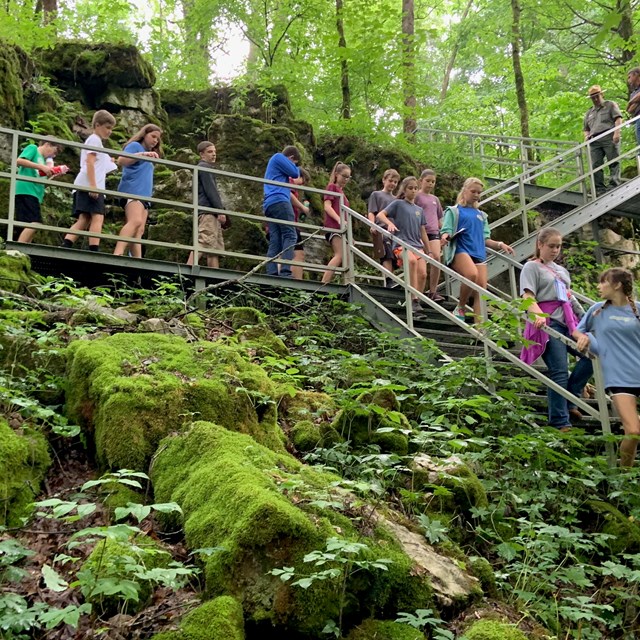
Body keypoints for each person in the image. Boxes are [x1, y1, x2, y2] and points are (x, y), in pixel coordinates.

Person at [519, 228, 593, 430]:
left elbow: (570, 298)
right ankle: (560, 420)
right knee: (559, 370)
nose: (555, 250)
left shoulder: (562, 271)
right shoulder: (531, 267)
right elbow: (527, 296)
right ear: (540, 245)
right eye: (551, 246)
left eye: (558, 246)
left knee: (593, 354)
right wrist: (537, 315)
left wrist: (587, 319)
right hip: (548, 322)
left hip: (568, 321)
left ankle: (570, 399)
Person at [574, 268, 640, 466]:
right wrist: (583, 337)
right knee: (634, 431)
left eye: (603, 282)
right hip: (618, 377)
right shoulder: (597, 310)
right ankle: (625, 476)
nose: (598, 286)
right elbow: (577, 331)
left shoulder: (637, 309)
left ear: (617, 285)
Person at [440, 177, 514, 321]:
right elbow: (446, 229)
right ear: (465, 190)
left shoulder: (481, 215)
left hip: (478, 252)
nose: (476, 195)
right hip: (461, 249)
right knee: (471, 274)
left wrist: (500, 244)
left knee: (481, 291)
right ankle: (460, 307)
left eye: (479, 192)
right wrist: (445, 237)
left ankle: (481, 332)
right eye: (473, 191)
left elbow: (486, 239)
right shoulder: (454, 211)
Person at [62, 110, 117, 252]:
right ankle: (94, 250)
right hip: (90, 185)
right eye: (107, 128)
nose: (109, 132)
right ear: (97, 125)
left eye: (111, 128)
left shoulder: (97, 143)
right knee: (98, 217)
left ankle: (67, 244)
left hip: (85, 184)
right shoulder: (94, 140)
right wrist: (93, 186)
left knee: (84, 218)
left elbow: (100, 162)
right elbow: (90, 162)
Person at [375, 176, 430, 314]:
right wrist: (390, 223)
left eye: (415, 188)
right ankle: (413, 299)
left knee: (423, 274)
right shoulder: (398, 204)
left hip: (417, 245)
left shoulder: (419, 210)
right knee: (411, 261)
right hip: (401, 243)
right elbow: (380, 215)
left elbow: (422, 231)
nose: (413, 191)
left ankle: (416, 300)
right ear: (404, 190)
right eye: (410, 188)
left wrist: (428, 251)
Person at [113, 124, 163, 258]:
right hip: (132, 191)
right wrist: (143, 154)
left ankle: (137, 261)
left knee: (139, 230)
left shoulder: (150, 154)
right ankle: (118, 253)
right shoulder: (135, 146)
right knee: (135, 221)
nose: (155, 141)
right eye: (153, 136)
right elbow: (121, 160)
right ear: (144, 135)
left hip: (144, 196)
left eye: (157, 139)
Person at [14, 137, 64, 243]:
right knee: (35, 222)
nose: (53, 156)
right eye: (54, 152)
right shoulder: (33, 149)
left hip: (35, 194)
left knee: (29, 225)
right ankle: (19, 247)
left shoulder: (44, 163)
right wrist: (41, 167)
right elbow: (19, 160)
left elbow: (42, 183)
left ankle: (24, 249)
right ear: (47, 144)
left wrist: (53, 175)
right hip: (26, 189)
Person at [263, 145, 302, 278]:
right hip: (280, 201)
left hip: (270, 203)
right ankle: (285, 271)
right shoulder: (278, 157)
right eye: (293, 162)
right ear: (291, 158)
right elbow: (295, 173)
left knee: (276, 240)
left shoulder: (275, 167)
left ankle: (272, 272)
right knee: (291, 235)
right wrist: (296, 167)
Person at [187, 141, 227, 269]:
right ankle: (186, 270)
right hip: (208, 211)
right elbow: (211, 191)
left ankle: (214, 280)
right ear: (201, 155)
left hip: (208, 211)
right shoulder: (204, 167)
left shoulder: (204, 168)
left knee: (214, 248)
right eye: (210, 152)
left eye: (215, 152)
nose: (214, 154)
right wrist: (220, 210)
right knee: (204, 240)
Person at [583, 85, 623, 194]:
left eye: (597, 96)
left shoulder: (610, 105)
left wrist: (617, 133)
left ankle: (614, 184)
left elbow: (618, 119)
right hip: (594, 140)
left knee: (613, 161)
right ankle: (599, 188)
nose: (595, 99)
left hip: (609, 136)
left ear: (602, 94)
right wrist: (586, 137)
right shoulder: (589, 112)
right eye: (593, 97)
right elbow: (586, 128)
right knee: (596, 165)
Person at [415, 169, 445, 302]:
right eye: (428, 181)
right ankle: (417, 292)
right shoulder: (416, 196)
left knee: (436, 258)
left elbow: (439, 219)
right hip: (419, 232)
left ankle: (433, 291)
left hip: (433, 232)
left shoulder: (435, 199)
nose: (430, 184)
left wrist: (444, 232)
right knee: (420, 261)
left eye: (433, 182)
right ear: (420, 181)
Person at [367, 169, 400, 288]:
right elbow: (371, 212)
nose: (392, 184)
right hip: (381, 229)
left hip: (394, 231)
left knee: (395, 253)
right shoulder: (376, 195)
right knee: (386, 252)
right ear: (384, 180)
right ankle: (389, 279)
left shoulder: (397, 199)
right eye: (390, 180)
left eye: (395, 182)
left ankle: (392, 278)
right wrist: (372, 225)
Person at [322, 162, 351, 284]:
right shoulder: (332, 187)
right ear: (336, 174)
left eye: (348, 177)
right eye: (344, 176)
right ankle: (324, 283)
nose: (345, 179)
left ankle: (348, 284)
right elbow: (327, 206)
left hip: (342, 229)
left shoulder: (342, 193)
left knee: (348, 257)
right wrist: (339, 219)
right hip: (334, 227)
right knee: (339, 254)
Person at [289, 168, 311, 280]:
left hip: (290, 221)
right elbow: (289, 195)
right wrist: (303, 207)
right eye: (303, 181)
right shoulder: (290, 182)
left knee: (286, 252)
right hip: (290, 223)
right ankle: (296, 283)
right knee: (299, 254)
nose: (302, 185)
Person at [626, 68, 640, 148]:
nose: (628, 80)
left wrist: (630, 102)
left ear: (636, 75)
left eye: (629, 77)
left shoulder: (632, 97)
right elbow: (630, 110)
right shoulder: (633, 93)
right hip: (638, 118)